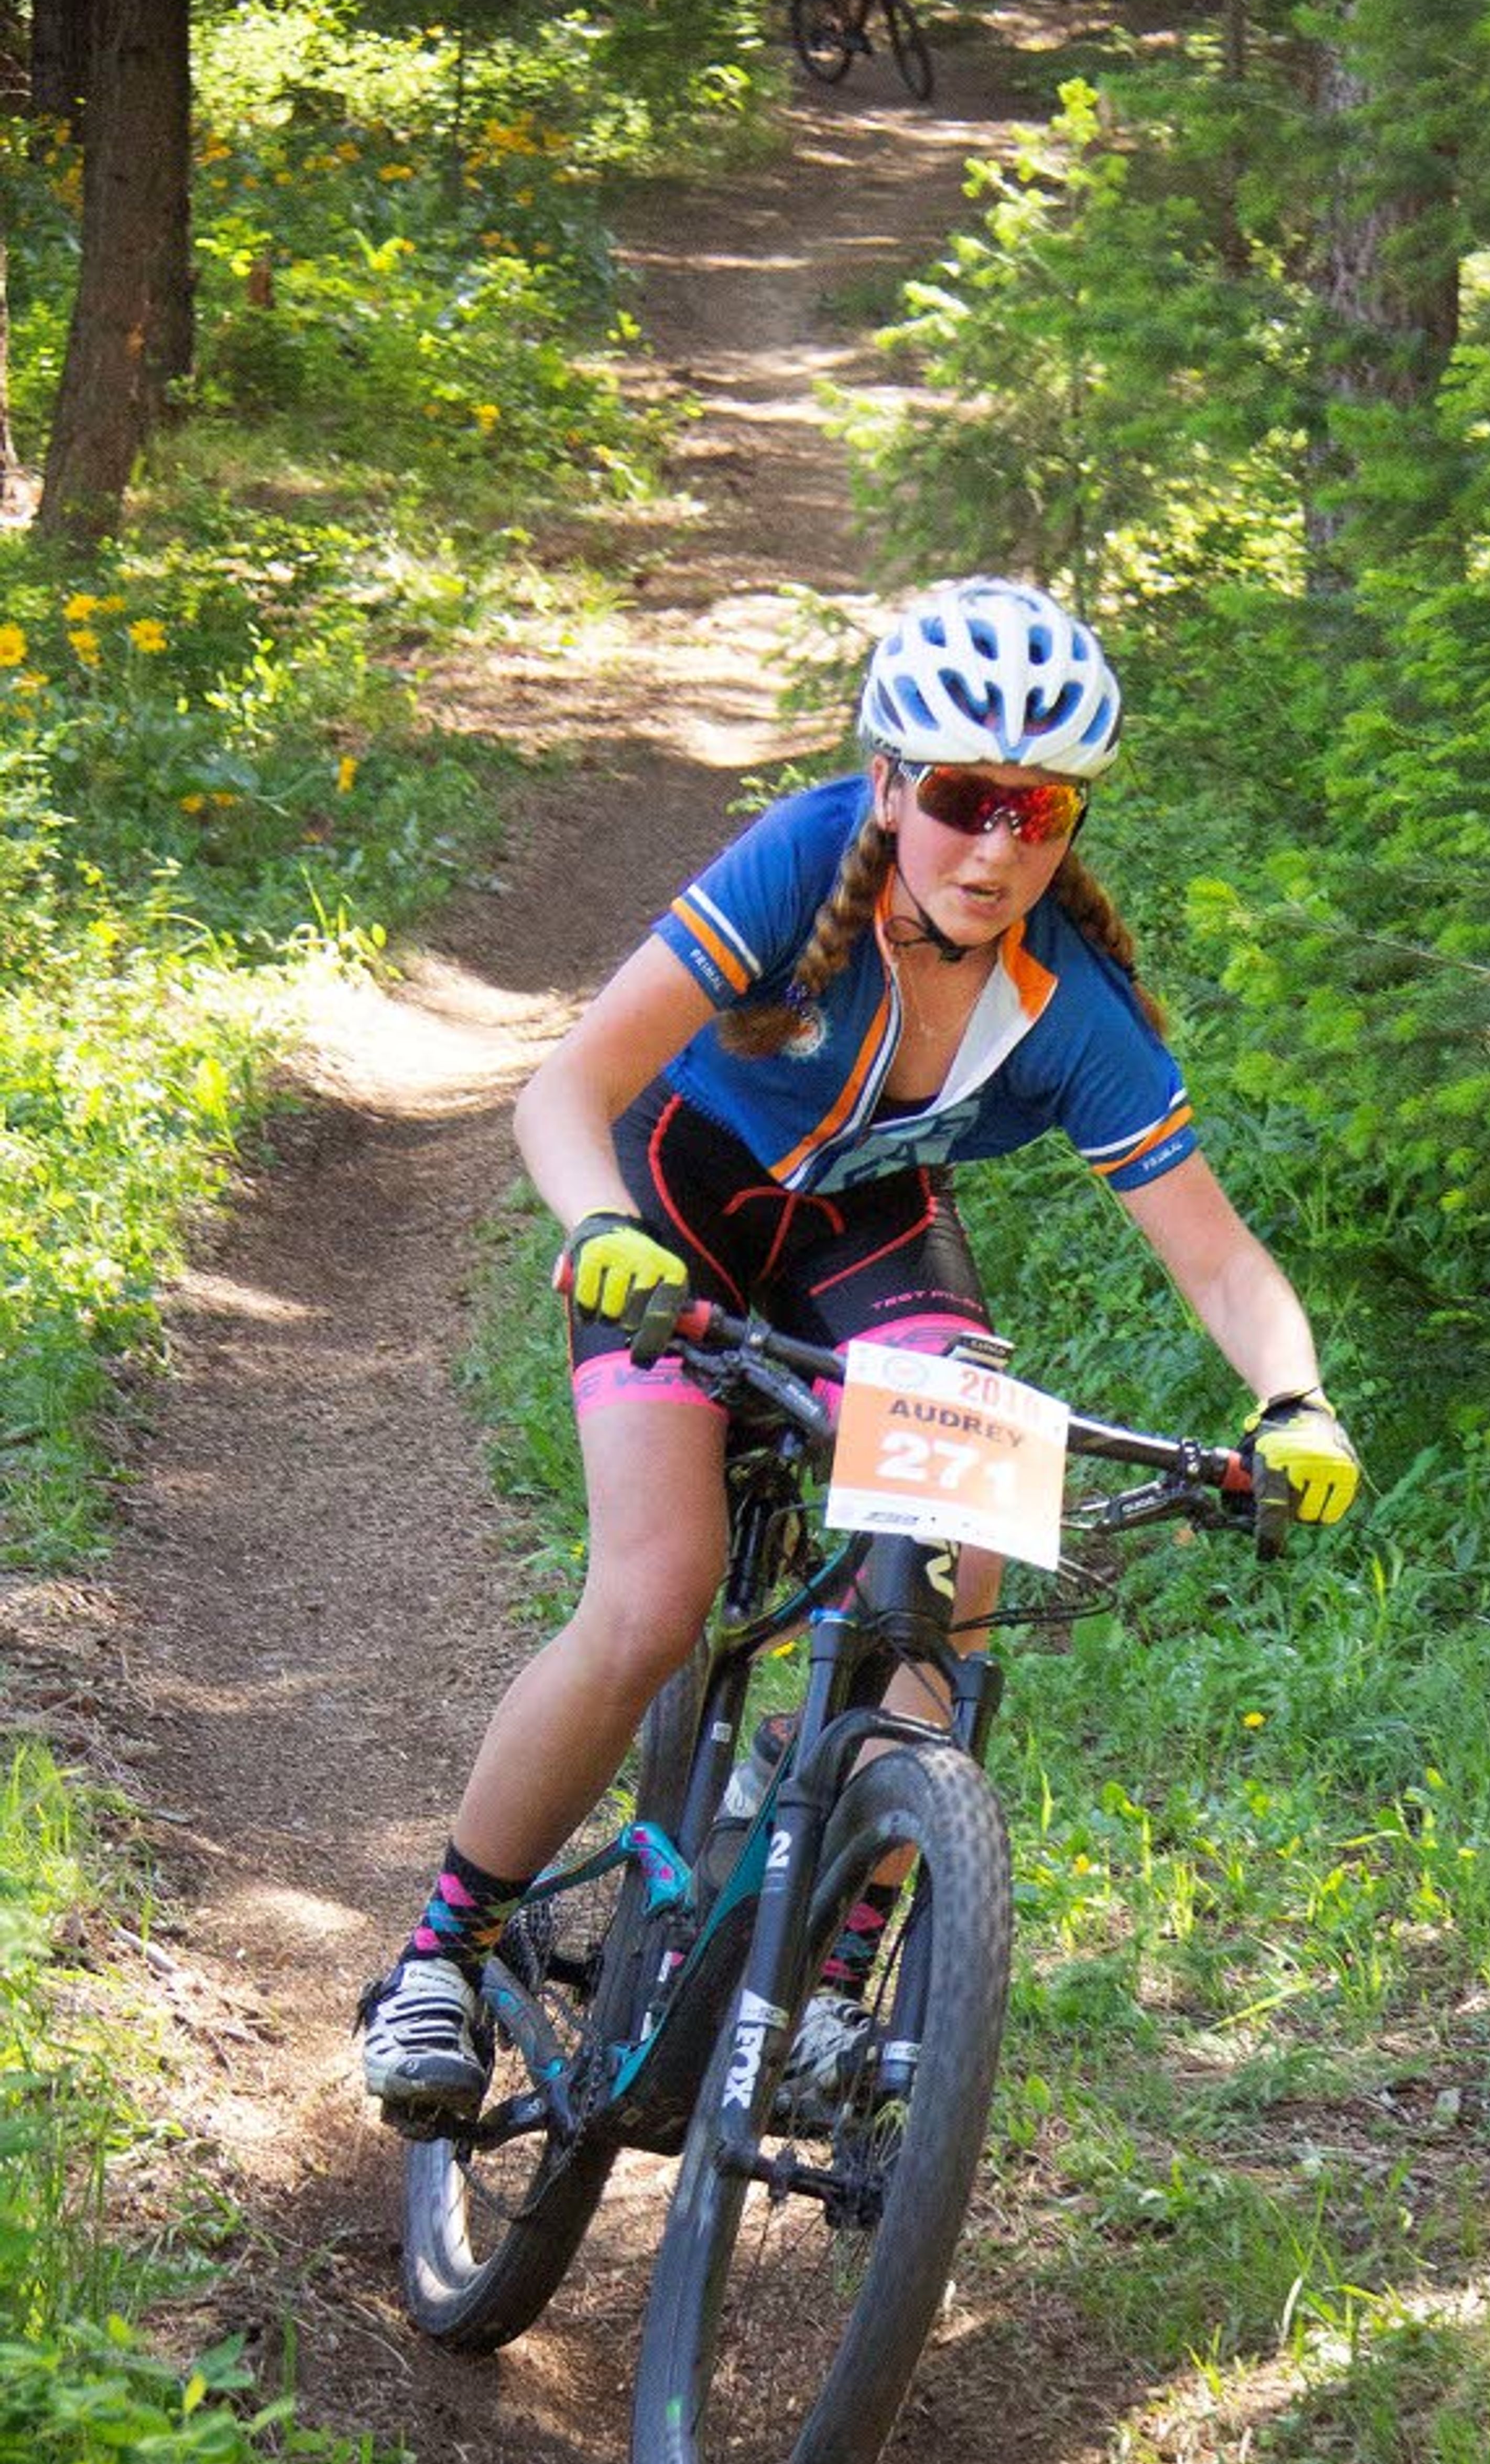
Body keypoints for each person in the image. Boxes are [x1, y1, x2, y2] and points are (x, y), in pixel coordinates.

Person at [358, 579, 1359, 2128]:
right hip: (669, 1203)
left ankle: (834, 1978)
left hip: (864, 1234)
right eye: (963, 799)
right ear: (891, 782)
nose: (998, 845)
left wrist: (1297, 1399)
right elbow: (564, 1090)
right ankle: (444, 1946)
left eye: (1039, 809)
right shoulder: (795, 869)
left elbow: (1219, 1257)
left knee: (957, 1560)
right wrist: (599, 1225)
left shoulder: (1066, 1003)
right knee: (653, 1594)